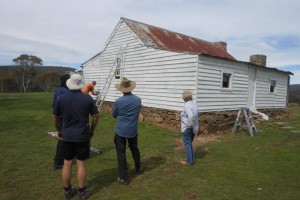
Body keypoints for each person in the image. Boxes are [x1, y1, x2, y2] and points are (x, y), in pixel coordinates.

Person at [52, 74, 99, 200]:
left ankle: (67, 191)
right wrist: (92, 130)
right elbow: (95, 116)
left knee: (67, 163)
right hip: (82, 136)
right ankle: (82, 192)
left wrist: (60, 131)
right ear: (80, 85)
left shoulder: (61, 98)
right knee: (81, 164)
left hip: (67, 135)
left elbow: (54, 118)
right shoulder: (87, 99)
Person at [112, 77, 143, 185]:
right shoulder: (138, 100)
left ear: (121, 89)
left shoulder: (119, 101)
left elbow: (113, 115)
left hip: (121, 130)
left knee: (121, 153)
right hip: (132, 130)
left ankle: (124, 177)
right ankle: (139, 169)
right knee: (135, 149)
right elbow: (137, 111)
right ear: (131, 88)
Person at [52, 73, 70, 170]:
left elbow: (53, 105)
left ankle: (59, 158)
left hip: (61, 117)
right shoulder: (63, 91)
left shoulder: (60, 90)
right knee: (62, 139)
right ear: (66, 82)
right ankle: (58, 162)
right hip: (62, 118)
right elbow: (59, 105)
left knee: (63, 139)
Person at [180, 90, 199, 165]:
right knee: (189, 144)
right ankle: (191, 158)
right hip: (193, 127)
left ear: (184, 98)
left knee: (187, 144)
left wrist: (189, 125)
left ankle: (189, 161)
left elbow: (190, 116)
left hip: (187, 128)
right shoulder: (194, 104)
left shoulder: (187, 105)